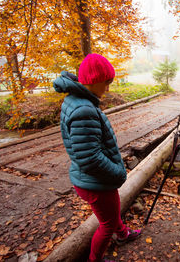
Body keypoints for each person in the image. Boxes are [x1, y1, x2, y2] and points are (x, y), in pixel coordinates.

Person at [53, 53, 141, 262]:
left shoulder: (76, 100)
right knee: (106, 224)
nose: (108, 88)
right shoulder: (84, 109)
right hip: (95, 181)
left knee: (112, 211)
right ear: (93, 80)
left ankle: (122, 234)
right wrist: (118, 173)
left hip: (89, 179)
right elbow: (90, 158)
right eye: (106, 82)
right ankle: (95, 259)